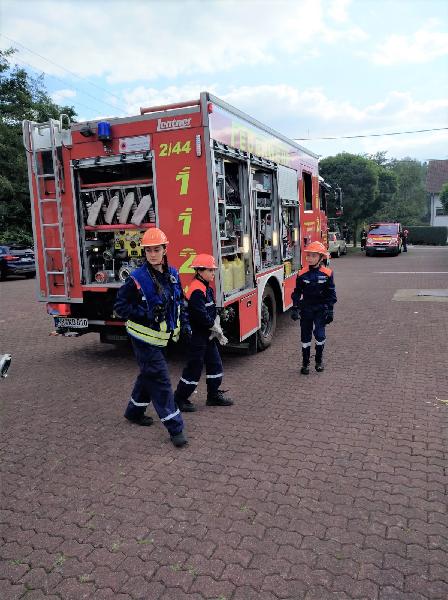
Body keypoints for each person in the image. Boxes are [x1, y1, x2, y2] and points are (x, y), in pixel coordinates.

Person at [114, 227, 189, 448]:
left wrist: (185, 326)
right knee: (160, 379)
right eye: (148, 250)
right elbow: (120, 307)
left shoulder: (173, 274)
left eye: (156, 249)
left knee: (148, 374)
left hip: (162, 339)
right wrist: (146, 314)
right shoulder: (136, 279)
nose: (153, 254)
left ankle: (134, 412)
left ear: (165, 249)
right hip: (143, 339)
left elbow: (179, 303)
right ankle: (175, 427)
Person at [174, 254, 233, 412]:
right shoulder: (197, 290)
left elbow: (209, 310)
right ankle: (179, 399)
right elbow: (200, 315)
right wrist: (214, 327)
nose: (213, 273)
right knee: (194, 369)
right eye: (210, 270)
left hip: (206, 335)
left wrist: (217, 319)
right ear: (200, 271)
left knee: (215, 364)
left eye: (213, 270)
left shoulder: (206, 287)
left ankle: (213, 396)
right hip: (197, 337)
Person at [291, 241, 337, 374]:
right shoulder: (302, 273)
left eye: (313, 256)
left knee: (320, 335)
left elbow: (331, 293)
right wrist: (295, 307)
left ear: (321, 257)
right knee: (305, 337)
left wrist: (330, 310)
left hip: (321, 310)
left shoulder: (327, 273)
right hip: (306, 310)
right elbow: (297, 292)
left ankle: (318, 361)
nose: (310, 258)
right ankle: (305, 363)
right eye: (308, 255)